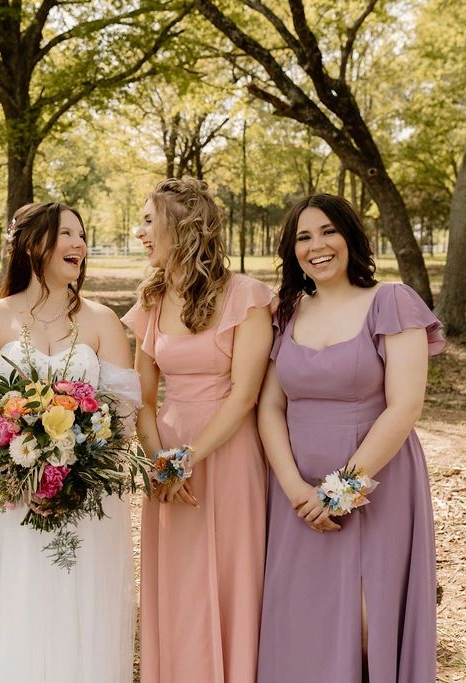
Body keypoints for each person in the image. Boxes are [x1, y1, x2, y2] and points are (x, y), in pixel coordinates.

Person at [0, 202, 142, 683]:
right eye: (67, 233)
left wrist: (74, 478)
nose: (79, 245)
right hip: (4, 498)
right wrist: (18, 475)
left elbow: (122, 417)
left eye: (82, 236)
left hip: (83, 502)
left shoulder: (104, 320)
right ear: (33, 244)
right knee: (10, 605)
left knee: (74, 606)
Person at [257, 194, 444, 682]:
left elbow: (405, 407)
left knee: (367, 624)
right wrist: (297, 490)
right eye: (303, 237)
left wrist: (339, 493)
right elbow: (270, 407)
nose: (316, 246)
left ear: (351, 238)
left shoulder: (392, 301)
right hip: (296, 494)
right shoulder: (289, 311)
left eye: (327, 232)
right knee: (304, 619)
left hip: (374, 485)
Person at [122, 178, 274, 683]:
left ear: (182, 227)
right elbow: (142, 396)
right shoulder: (151, 300)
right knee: (179, 578)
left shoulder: (246, 296)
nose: (139, 232)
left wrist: (189, 457)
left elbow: (245, 395)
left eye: (148, 221)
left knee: (234, 575)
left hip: (229, 450)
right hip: (165, 449)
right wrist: (160, 459)